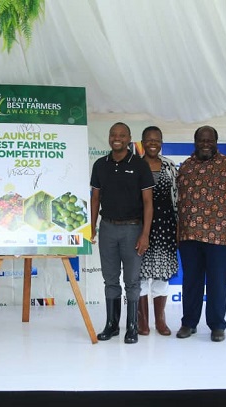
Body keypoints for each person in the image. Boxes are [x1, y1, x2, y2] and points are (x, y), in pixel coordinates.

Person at [176, 125, 226, 342]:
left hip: (220, 235)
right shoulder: (186, 167)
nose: (205, 144)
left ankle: (217, 325)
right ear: (195, 142)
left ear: (216, 142)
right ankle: (188, 323)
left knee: (218, 282)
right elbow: (177, 201)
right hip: (189, 235)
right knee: (191, 281)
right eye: (201, 140)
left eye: (210, 141)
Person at [90, 122, 154, 344]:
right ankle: (112, 325)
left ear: (129, 138)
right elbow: (95, 198)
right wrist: (91, 227)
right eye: (113, 134)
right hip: (107, 228)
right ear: (109, 138)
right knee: (110, 280)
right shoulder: (100, 164)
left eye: (122, 135)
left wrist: (145, 234)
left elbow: (148, 203)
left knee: (132, 281)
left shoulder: (139, 165)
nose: (117, 138)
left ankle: (132, 327)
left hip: (132, 229)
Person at [137, 126, 179, 336]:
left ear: (161, 142)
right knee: (141, 275)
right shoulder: (135, 166)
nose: (153, 143)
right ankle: (142, 322)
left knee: (162, 275)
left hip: (165, 227)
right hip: (139, 227)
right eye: (148, 140)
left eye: (157, 140)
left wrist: (179, 225)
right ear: (142, 142)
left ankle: (160, 321)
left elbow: (177, 198)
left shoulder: (170, 166)